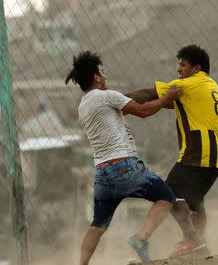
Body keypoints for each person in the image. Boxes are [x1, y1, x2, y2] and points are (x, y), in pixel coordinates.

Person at [65, 51, 182, 265]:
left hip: (102, 173)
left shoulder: (83, 106)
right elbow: (143, 111)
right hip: (123, 166)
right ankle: (140, 240)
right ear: (96, 77)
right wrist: (168, 98)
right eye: (102, 72)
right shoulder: (107, 96)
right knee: (166, 198)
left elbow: (118, 112)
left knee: (98, 225)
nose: (106, 76)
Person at [125, 44, 218, 257]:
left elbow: (150, 93)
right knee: (195, 202)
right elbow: (168, 102)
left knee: (167, 194)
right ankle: (200, 246)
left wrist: (118, 101)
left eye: (183, 65)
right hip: (217, 156)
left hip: (198, 153)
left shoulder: (189, 84)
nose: (178, 70)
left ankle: (190, 239)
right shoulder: (210, 84)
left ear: (196, 68)